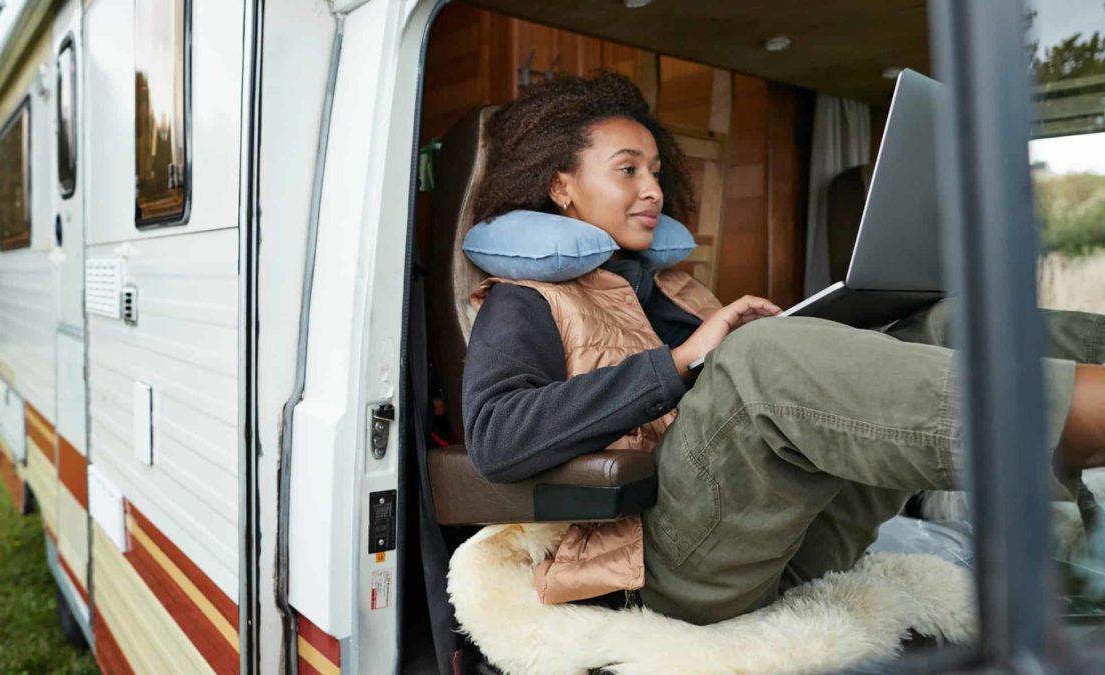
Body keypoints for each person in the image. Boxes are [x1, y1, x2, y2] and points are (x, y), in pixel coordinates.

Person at [460, 72, 1105, 626]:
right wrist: (683, 363)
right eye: (627, 169)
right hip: (651, 571)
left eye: (656, 171)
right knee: (758, 358)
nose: (653, 189)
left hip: (782, 536)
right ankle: (1077, 414)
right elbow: (496, 437)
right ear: (562, 186)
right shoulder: (524, 299)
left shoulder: (674, 289)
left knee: (946, 322)